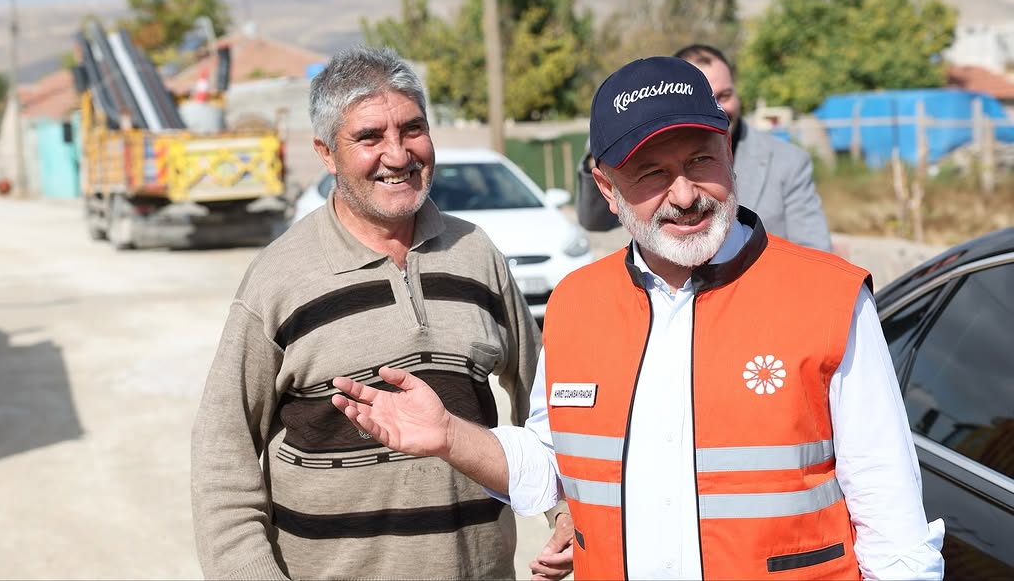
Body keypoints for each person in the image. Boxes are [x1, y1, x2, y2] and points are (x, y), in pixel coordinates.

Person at [330, 56, 945, 580]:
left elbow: (894, 528)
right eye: (651, 173)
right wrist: (449, 436)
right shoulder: (576, 304)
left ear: (728, 151)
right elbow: (553, 469)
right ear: (606, 187)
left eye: (701, 160)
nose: (685, 195)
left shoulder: (828, 297)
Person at [190, 46, 543, 580]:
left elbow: (547, 396)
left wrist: (568, 510)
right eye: (370, 137)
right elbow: (223, 449)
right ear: (326, 153)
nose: (398, 155)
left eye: (413, 129)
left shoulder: (478, 255)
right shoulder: (280, 277)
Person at [575, 44, 833, 252]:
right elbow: (595, 221)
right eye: (654, 173)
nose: (685, 198)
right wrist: (606, 146)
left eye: (725, 95)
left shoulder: (787, 160)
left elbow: (816, 252)